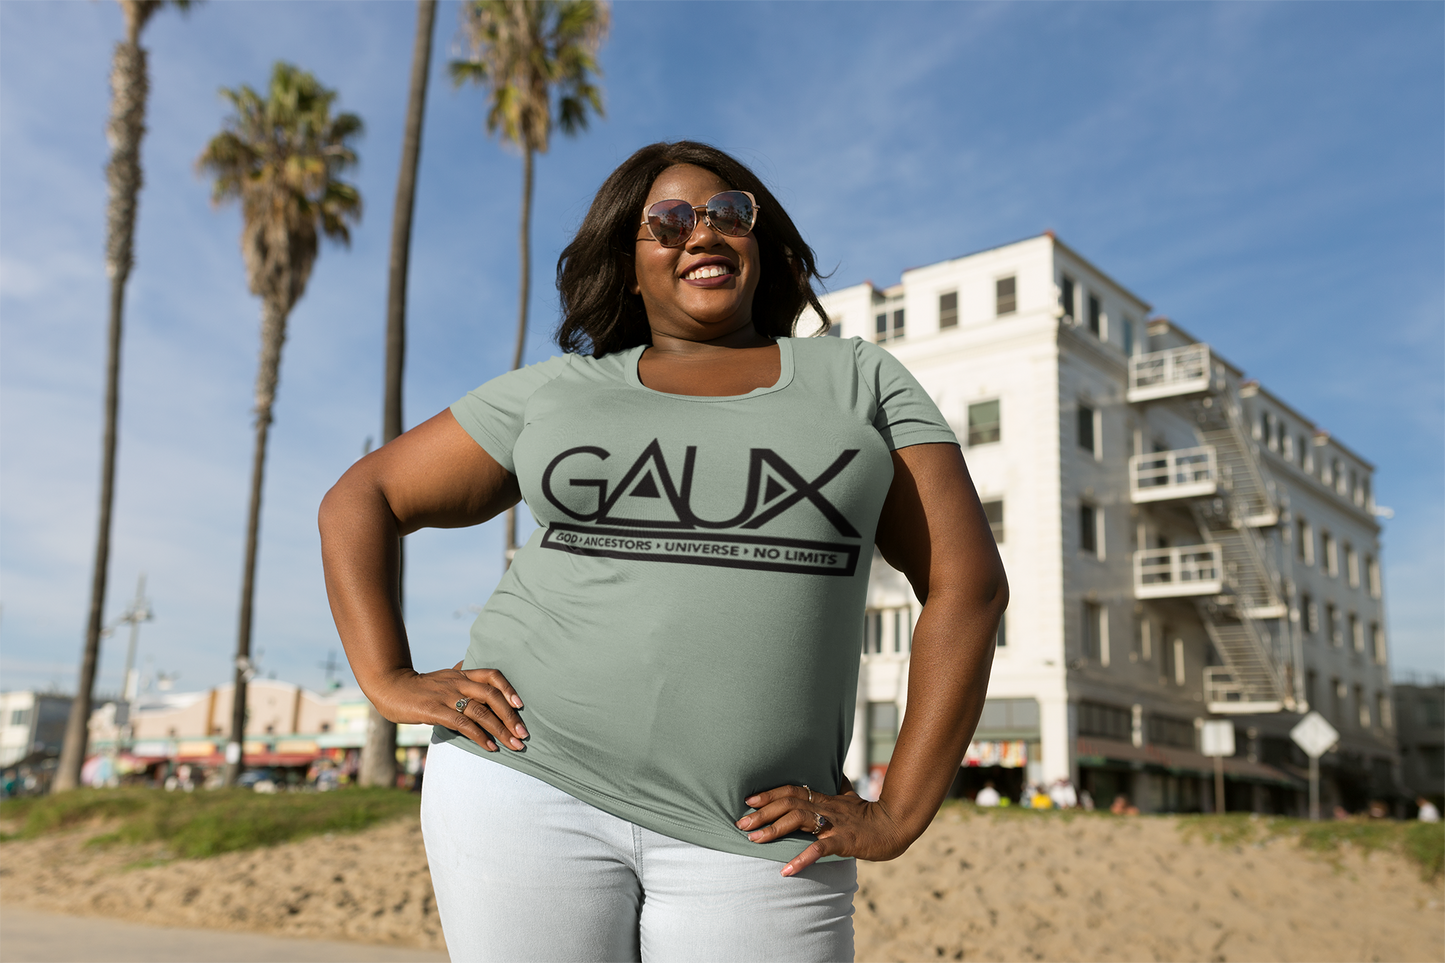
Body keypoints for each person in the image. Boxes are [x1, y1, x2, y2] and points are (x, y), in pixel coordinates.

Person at [320, 141, 1007, 963]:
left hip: (757, 828)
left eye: (728, 214)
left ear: (761, 241)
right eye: (669, 221)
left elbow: (967, 588)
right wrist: (388, 678)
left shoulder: (858, 379)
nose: (702, 233)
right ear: (630, 258)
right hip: (525, 787)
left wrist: (896, 812)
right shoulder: (558, 392)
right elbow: (361, 497)